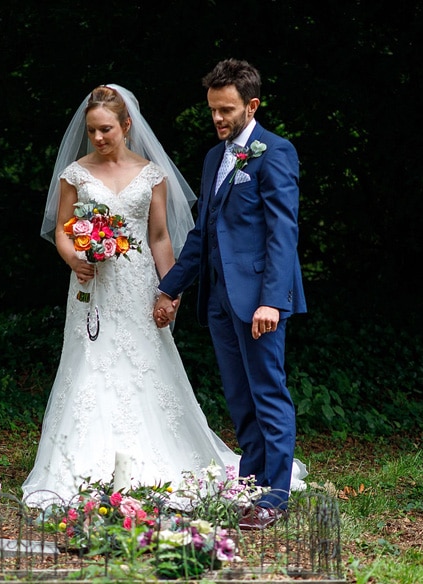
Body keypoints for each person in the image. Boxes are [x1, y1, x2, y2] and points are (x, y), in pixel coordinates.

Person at [22, 84, 258, 509]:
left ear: (126, 126)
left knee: (145, 363)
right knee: (89, 366)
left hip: (137, 285)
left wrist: (170, 290)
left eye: (106, 130)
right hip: (91, 285)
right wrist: (74, 256)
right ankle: (84, 462)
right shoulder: (74, 173)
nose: (98, 138)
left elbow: (160, 236)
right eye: (92, 131)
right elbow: (61, 227)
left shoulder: (151, 174)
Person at [153, 59, 306, 528]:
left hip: (259, 300)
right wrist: (169, 288)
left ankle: (273, 500)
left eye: (226, 110)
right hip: (220, 301)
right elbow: (204, 232)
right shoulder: (214, 158)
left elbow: (283, 232)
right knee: (240, 398)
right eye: (213, 110)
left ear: (251, 106)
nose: (218, 119)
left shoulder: (274, 152)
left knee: (268, 393)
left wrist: (272, 301)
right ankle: (252, 485)